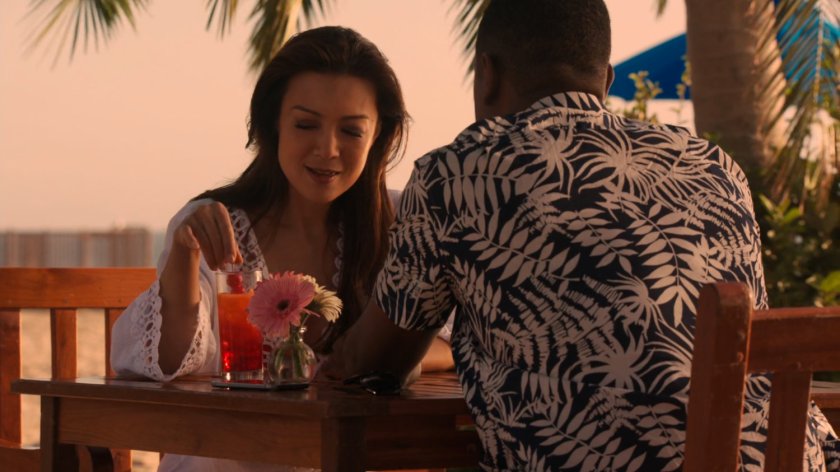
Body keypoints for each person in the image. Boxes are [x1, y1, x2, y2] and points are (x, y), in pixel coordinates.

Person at [336, 1, 840, 470]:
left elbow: (375, 365)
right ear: (607, 80)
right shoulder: (715, 168)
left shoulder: (460, 174)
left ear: (485, 75)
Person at [110, 26, 452, 472]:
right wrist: (182, 254)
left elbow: (452, 340)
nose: (327, 149)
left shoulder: (401, 220)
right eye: (306, 124)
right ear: (273, 124)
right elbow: (169, 361)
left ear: (379, 136)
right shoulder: (214, 222)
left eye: (351, 131)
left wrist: (374, 355)